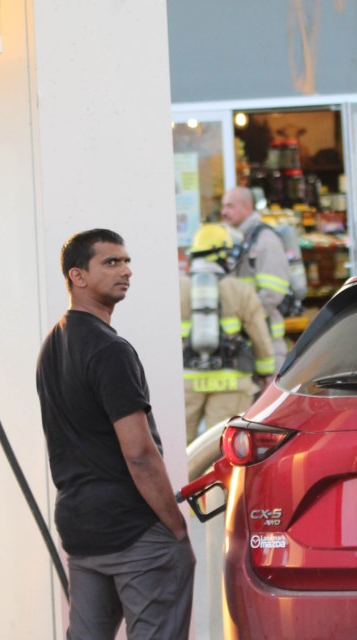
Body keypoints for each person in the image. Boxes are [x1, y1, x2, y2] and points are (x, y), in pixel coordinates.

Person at [36, 229, 195, 640]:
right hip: (133, 530)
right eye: (110, 262)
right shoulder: (111, 351)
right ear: (78, 276)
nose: (125, 271)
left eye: (126, 261)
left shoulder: (52, 344)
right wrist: (175, 526)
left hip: (82, 527)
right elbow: (139, 452)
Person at [180, 223, 275, 443]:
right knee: (220, 447)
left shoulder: (176, 288)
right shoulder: (240, 289)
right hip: (231, 384)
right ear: (223, 255)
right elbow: (260, 338)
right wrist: (266, 373)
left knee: (179, 446)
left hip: (185, 384)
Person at [220, 186, 293, 370]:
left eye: (230, 206)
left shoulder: (265, 240)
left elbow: (273, 292)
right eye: (223, 206)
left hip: (267, 340)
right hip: (246, 340)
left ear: (246, 207)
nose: (223, 212)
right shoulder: (239, 238)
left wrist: (248, 318)